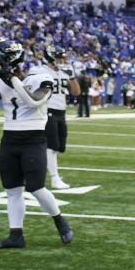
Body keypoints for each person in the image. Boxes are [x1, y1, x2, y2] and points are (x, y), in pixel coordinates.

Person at [0, 40, 74, 249]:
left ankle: (60, 221)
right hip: (10, 138)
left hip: (33, 138)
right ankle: (15, 234)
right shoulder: (1, 81)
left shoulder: (41, 78)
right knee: (12, 189)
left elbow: (33, 101)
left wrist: (11, 78)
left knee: (36, 187)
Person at [29, 45, 80, 190]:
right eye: (60, 57)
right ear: (51, 57)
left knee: (59, 147)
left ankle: (40, 172)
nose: (63, 60)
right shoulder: (38, 71)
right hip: (46, 110)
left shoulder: (65, 72)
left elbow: (76, 92)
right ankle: (54, 178)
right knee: (51, 146)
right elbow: (28, 89)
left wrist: (72, 76)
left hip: (61, 111)